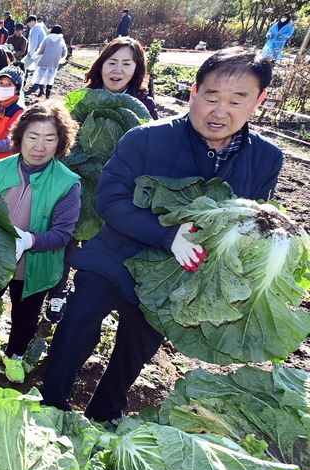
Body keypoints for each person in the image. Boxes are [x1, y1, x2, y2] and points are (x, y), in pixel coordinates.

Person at [41, 48, 282, 421]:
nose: (220, 111)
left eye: (238, 100)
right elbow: (109, 200)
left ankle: (105, 417)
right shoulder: (146, 138)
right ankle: (51, 405)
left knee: (135, 349)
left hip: (176, 275)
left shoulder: (267, 157)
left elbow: (251, 218)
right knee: (77, 324)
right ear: (193, 92)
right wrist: (167, 235)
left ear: (259, 101)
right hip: (117, 254)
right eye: (212, 97)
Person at [0, 102, 81, 388]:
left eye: (50, 139)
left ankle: (15, 355)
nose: (40, 146)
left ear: (60, 143)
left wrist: (29, 240)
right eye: (33, 136)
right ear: (20, 137)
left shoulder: (67, 183)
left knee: (25, 316)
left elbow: (63, 234)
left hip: (33, 266)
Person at [84, 37, 158, 119]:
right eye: (112, 63)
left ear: (136, 69)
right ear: (101, 66)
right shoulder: (84, 98)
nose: (117, 70)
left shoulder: (146, 105)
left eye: (126, 64)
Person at [30, 25, 68, 98]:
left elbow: (41, 50)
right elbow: (64, 52)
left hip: (45, 60)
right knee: (51, 77)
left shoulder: (47, 38)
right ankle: (48, 92)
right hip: (54, 61)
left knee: (40, 75)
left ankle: (39, 89)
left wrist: (34, 56)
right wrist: (60, 58)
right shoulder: (61, 39)